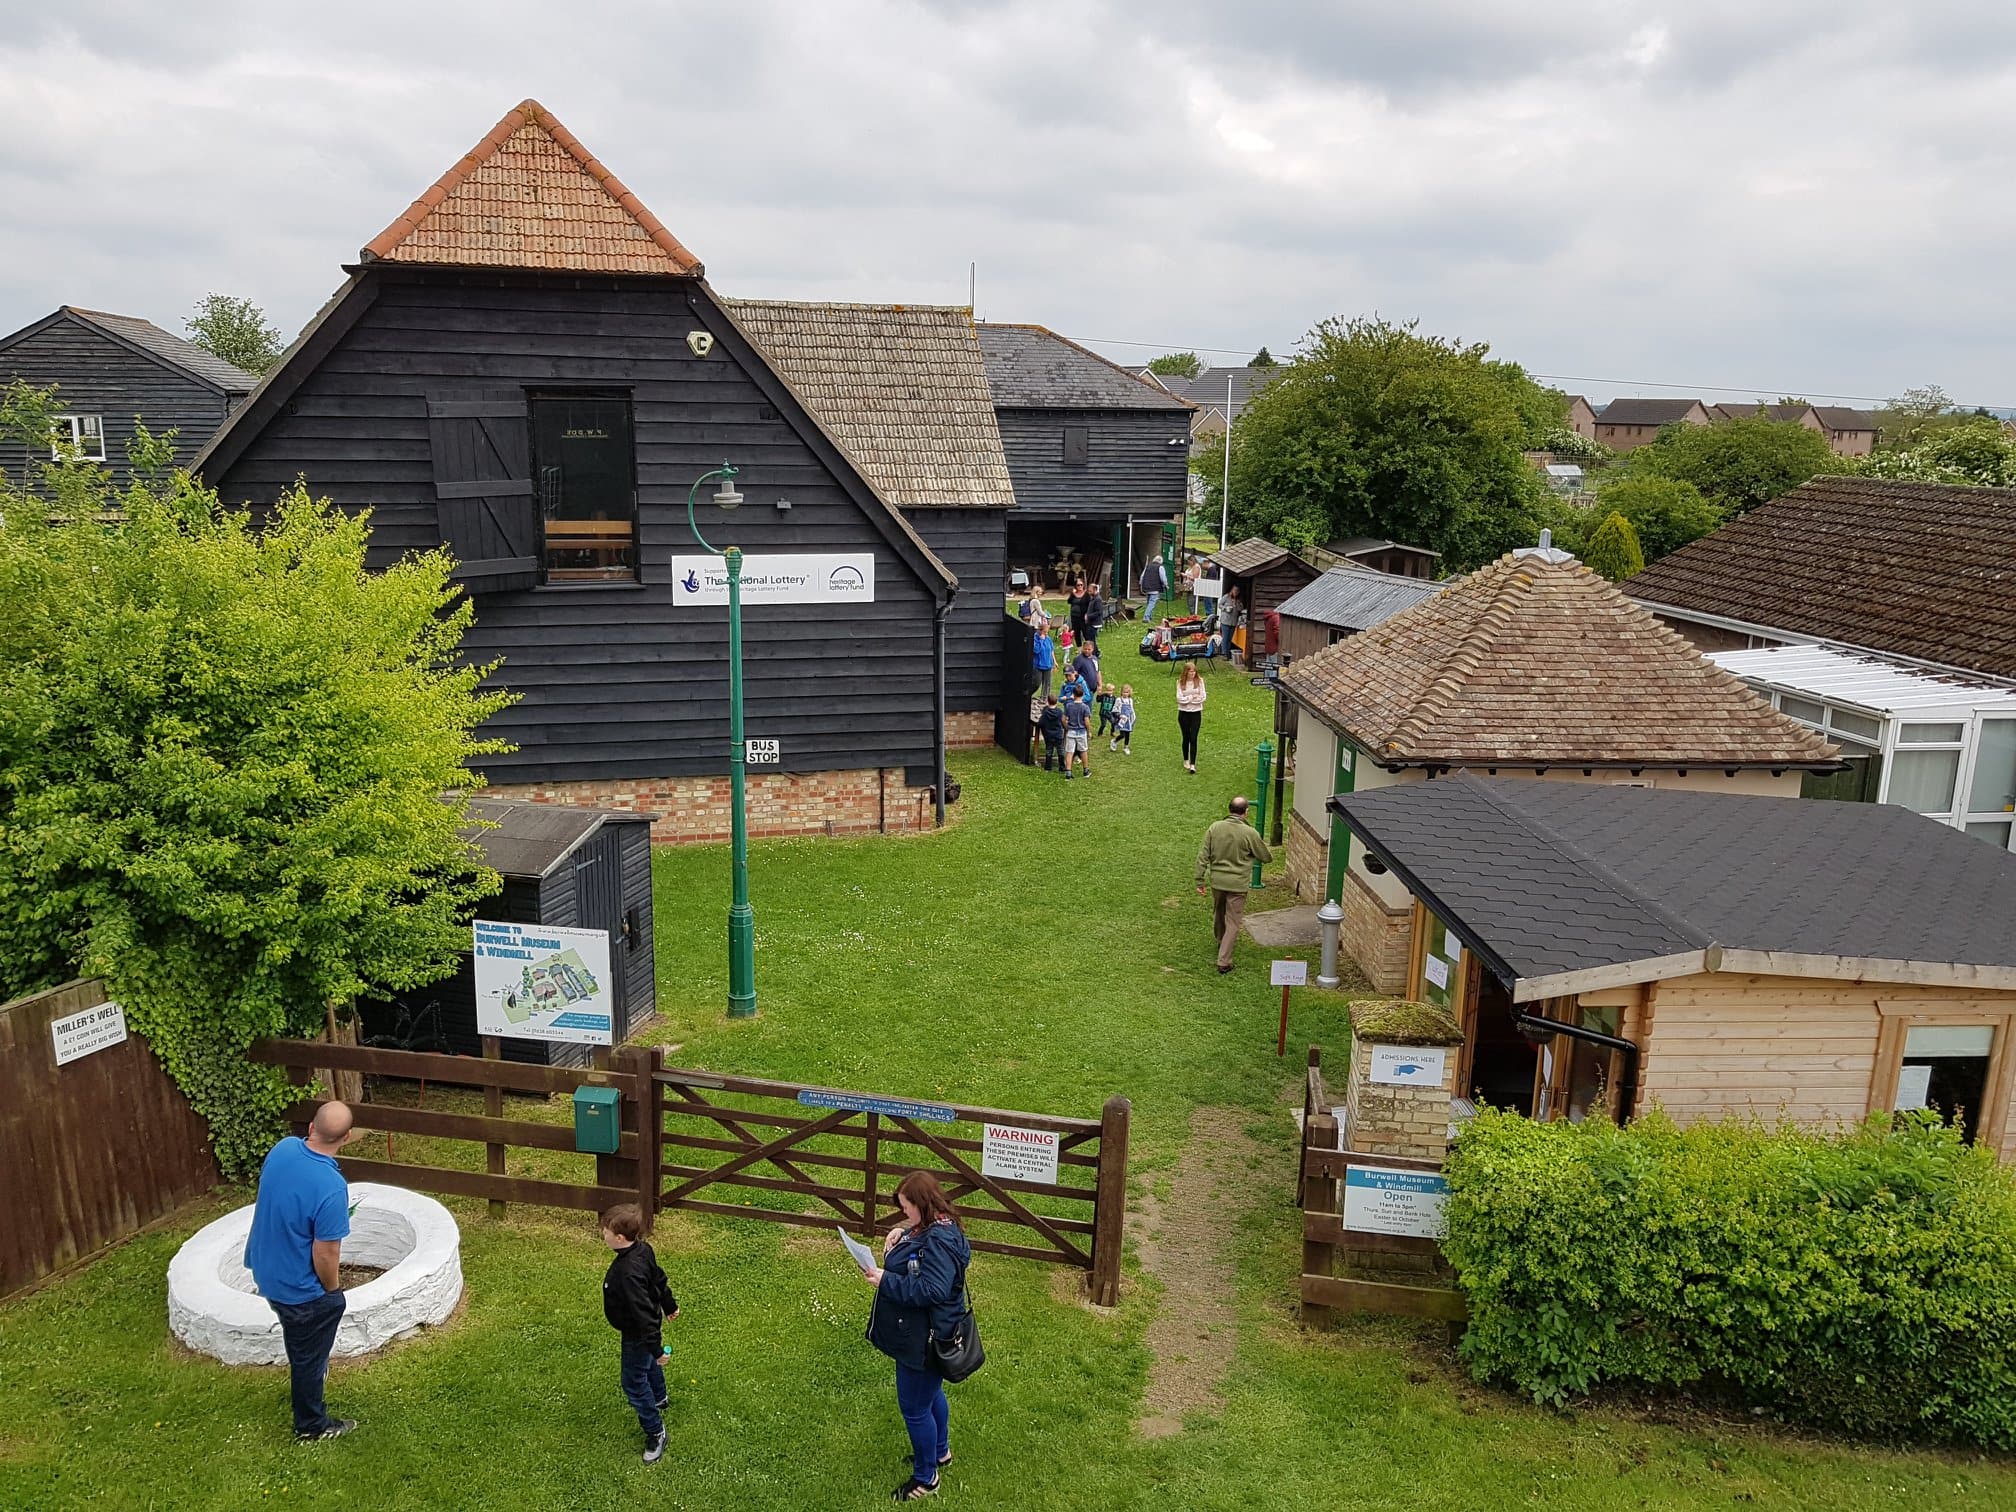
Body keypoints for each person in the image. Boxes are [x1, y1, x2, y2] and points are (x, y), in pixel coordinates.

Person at [244, 1102, 365, 1442]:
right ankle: (311, 1425)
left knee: (301, 1343)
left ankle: (306, 1380)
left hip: (265, 1271)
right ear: (347, 1137)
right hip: (300, 1290)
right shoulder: (331, 1186)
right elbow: (326, 1252)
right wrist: (332, 1291)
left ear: (311, 1127)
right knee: (310, 1354)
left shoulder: (282, 1150)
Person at [863, 1171, 973, 1502]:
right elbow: (921, 1252)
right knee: (930, 1395)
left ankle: (927, 1477)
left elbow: (932, 1289)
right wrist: (903, 1233)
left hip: (923, 1339)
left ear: (921, 1204)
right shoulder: (940, 1224)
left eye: (906, 1209)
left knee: (914, 1408)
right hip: (930, 1333)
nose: (904, 1214)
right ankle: (940, 1452)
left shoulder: (938, 1240)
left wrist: (885, 1280)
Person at [601, 1202, 680, 1465]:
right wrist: (669, 1305)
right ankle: (660, 1397)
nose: (603, 1234)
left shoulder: (628, 1273)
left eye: (605, 1231)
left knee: (633, 1382)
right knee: (648, 1363)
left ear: (619, 1238)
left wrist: (657, 1349)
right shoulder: (643, 1249)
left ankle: (656, 1432)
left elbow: (644, 1314)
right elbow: (658, 1279)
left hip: (637, 1334)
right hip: (642, 1334)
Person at [1196, 795, 1273, 974]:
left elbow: (1202, 856)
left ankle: (1220, 941)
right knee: (1233, 921)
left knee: (1219, 912)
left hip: (1218, 882)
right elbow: (1266, 857)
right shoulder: (1250, 833)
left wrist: (1199, 880)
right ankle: (1224, 961)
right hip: (1237, 885)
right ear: (1246, 812)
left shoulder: (1215, 828)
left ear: (1229, 809)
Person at [1175, 662, 1207, 773]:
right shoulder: (1180, 683)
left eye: (1194, 671)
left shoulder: (1200, 681)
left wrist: (1190, 700)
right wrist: (1191, 697)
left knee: (1194, 738)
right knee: (1186, 737)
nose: (1192, 673)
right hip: (1184, 713)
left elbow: (1202, 697)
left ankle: (1193, 764)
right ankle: (1186, 759)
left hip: (1196, 713)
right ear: (1186, 672)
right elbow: (1179, 699)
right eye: (1190, 671)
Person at [1062, 685, 1093, 779]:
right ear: (1083, 695)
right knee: (1083, 751)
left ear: (1073, 695)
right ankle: (1086, 770)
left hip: (1071, 731)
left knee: (1069, 752)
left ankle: (1068, 772)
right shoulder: (1085, 707)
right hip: (1081, 732)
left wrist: (1067, 727)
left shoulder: (1069, 706)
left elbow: (1064, 719)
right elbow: (1086, 721)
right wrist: (1089, 732)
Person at [1037, 694, 1066, 772]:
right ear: (1056, 702)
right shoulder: (1060, 712)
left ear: (1048, 701)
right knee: (1061, 751)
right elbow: (1063, 721)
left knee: (1049, 751)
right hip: (1058, 735)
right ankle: (1062, 767)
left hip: (1048, 735)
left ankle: (1048, 767)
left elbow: (1040, 723)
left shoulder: (1045, 713)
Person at [1139, 554, 1167, 623]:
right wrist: (1166, 584)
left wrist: (1141, 583)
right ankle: (1146, 617)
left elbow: (1142, 576)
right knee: (1152, 603)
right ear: (1160, 561)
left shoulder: (1148, 566)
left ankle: (1150, 616)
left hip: (1146, 587)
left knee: (1149, 602)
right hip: (1155, 587)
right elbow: (1163, 577)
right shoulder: (1160, 567)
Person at [1109, 684, 1136, 754]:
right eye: (1124, 692)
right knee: (1122, 734)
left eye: (1127, 692)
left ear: (1129, 693)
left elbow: (1131, 710)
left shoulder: (1130, 700)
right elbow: (1115, 709)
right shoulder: (1119, 700)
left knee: (1128, 734)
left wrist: (1133, 717)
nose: (1125, 694)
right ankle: (1114, 741)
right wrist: (1119, 715)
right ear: (1121, 692)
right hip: (1121, 720)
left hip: (1128, 720)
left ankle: (1126, 747)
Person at [1030, 626, 1055, 701]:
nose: (1046, 634)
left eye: (1047, 632)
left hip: (1048, 664)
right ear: (1040, 631)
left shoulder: (1048, 639)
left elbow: (1051, 650)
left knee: (1047, 684)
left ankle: (1044, 699)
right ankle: (1028, 695)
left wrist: (1054, 661)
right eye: (1045, 632)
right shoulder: (1035, 639)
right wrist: (1041, 640)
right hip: (1038, 665)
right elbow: (1036, 650)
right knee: (1036, 683)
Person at [1084, 582, 1105, 650]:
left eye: (1090, 591)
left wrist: (1088, 616)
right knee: (1090, 639)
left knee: (1091, 640)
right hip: (1090, 622)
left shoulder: (1098, 599)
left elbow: (1099, 612)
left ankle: (1095, 653)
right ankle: (1095, 652)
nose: (1089, 592)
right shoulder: (1093, 598)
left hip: (1094, 623)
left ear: (1095, 590)